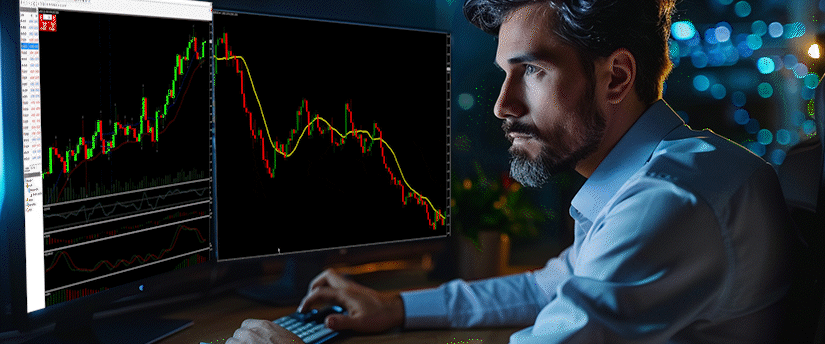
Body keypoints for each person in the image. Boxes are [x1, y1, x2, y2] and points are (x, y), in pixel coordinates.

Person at [227, 0, 798, 342]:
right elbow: (548, 286)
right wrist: (394, 307)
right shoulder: (662, 176)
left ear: (617, 78)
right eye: (505, 73)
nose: (503, 105)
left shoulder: (670, 199)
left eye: (532, 71)